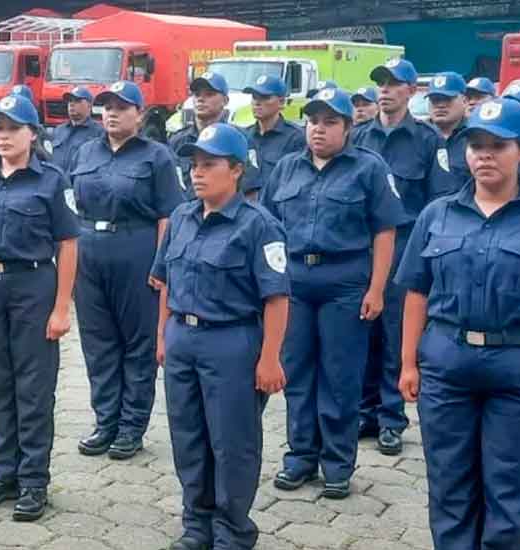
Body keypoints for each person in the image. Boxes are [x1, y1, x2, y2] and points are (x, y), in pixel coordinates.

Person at [261, 88, 404, 499]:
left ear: (348, 127)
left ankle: (338, 463)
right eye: (312, 121)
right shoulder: (287, 168)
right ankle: (301, 456)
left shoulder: (368, 169)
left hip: (345, 282)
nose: (318, 129)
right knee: (298, 372)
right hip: (295, 284)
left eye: (329, 122)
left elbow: (384, 230)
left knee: (341, 377)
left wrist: (377, 289)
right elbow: (268, 230)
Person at [154, 122, 289, 550]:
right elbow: (165, 283)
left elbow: (277, 298)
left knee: (232, 443)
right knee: (188, 437)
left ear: (235, 170)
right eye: (194, 164)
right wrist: (163, 335)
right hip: (183, 340)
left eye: (208, 164)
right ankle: (197, 524)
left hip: (231, 343)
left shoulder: (258, 226)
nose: (196, 173)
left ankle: (232, 531)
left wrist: (270, 359)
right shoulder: (181, 217)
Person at [395, 97, 520, 550]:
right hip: (447, 364)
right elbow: (415, 291)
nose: (484, 155)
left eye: (498, 146)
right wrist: (408, 363)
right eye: (477, 146)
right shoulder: (438, 214)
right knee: (449, 480)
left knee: (509, 486)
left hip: (513, 367)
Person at [0, 94, 79, 522]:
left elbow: (68, 245)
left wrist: (62, 307)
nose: (4, 136)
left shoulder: (51, 180)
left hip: (33, 285)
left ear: (33, 133)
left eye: (13, 128)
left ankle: (34, 481)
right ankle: (3, 473)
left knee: (33, 388)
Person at [70, 81, 185, 459]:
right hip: (90, 252)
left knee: (138, 344)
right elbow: (73, 205)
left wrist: (161, 264)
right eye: (107, 106)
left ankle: (131, 426)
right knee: (98, 343)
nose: (112, 113)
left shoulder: (157, 157)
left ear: (140, 113)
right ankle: (106, 421)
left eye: (122, 106)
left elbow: (169, 215)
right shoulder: (86, 151)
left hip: (136, 250)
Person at [352, 58, 442, 456]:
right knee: (363, 331)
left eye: (393, 83)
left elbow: (438, 201)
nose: (385, 90)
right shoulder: (359, 137)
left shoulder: (427, 140)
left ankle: (392, 417)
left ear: (411, 91)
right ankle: (365, 411)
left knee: (394, 334)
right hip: (364, 248)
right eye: (380, 83)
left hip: (406, 247)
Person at [241, 75, 306, 200]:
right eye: (254, 97)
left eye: (265, 97)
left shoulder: (296, 138)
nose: (257, 103)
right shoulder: (244, 136)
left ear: (281, 102)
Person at [169, 72, 230, 197]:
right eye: (197, 94)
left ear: (225, 100)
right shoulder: (177, 140)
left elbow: (249, 192)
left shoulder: (236, 139)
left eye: (209, 94)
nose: (201, 99)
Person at [426, 72, 472, 200]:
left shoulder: (476, 138)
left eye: (447, 98)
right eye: (435, 100)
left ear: (465, 101)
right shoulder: (417, 137)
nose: (440, 105)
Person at [51, 86, 105, 174]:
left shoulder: (99, 132)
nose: (72, 104)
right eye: (70, 101)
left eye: (77, 101)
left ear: (89, 105)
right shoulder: (58, 130)